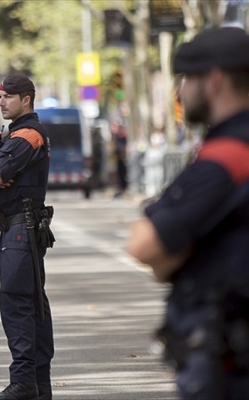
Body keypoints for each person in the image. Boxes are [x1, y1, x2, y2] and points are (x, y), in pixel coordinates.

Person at [127, 27, 249, 400]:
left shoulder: (227, 157)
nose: (180, 92)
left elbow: (144, 246)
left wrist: (181, 255)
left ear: (213, 80)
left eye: (186, 79)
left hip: (231, 364)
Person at [0, 75, 54, 400]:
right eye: (0, 96)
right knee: (32, 304)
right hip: (20, 229)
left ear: (27, 99)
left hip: (21, 230)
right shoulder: (17, 133)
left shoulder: (27, 136)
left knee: (17, 303)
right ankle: (39, 384)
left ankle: (24, 381)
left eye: (8, 97)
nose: (2, 102)